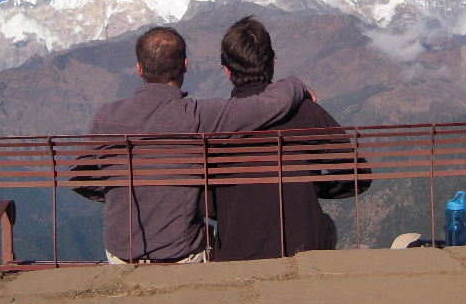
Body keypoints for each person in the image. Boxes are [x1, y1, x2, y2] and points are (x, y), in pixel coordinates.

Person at [75, 26, 312, 264]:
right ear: (185, 66)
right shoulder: (196, 116)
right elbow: (269, 105)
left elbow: (79, 178)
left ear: (139, 69)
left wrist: (122, 191)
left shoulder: (105, 116)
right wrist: (295, 83)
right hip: (182, 257)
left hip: (120, 256)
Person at [213, 16, 371, 261]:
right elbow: (358, 177)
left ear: (227, 71)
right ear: (273, 62)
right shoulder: (309, 112)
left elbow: (206, 202)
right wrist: (308, 185)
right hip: (304, 250)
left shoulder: (215, 123)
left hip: (236, 255)